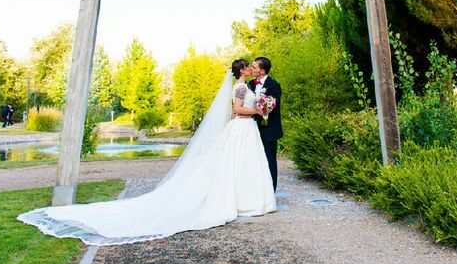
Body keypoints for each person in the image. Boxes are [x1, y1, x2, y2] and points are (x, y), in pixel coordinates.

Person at [17, 59, 276, 245]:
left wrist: (259, 109)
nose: (251, 68)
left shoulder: (249, 86)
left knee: (245, 165)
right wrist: (259, 111)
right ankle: (242, 201)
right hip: (243, 126)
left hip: (247, 130)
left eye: (254, 66)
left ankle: (249, 199)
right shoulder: (241, 87)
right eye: (248, 66)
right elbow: (239, 108)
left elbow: (243, 107)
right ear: (242, 70)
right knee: (237, 163)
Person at [248, 57, 283, 191]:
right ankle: (256, 191)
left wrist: (263, 110)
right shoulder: (250, 84)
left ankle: (270, 192)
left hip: (269, 129)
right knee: (253, 159)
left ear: (262, 71)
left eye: (254, 67)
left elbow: (274, 106)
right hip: (251, 127)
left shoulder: (274, 85)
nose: (252, 69)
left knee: (270, 160)